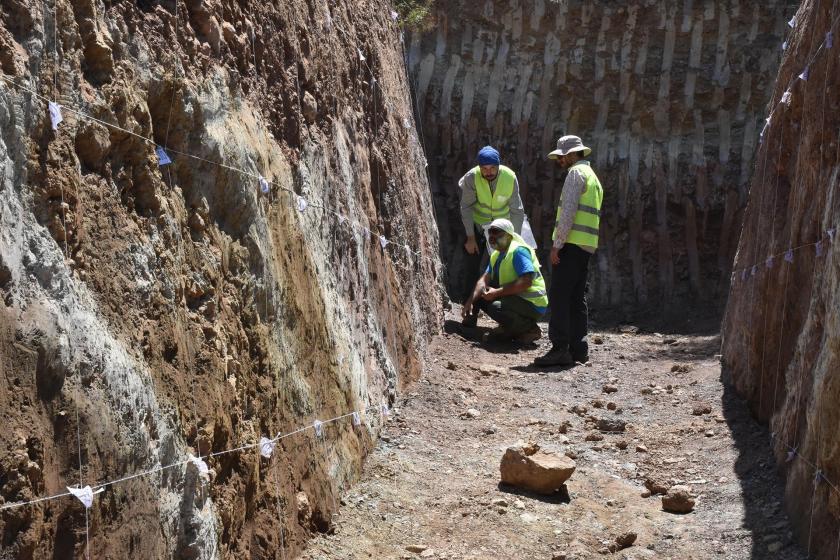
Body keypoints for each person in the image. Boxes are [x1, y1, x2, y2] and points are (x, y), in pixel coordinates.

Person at [533, 135, 603, 367]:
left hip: (571, 244)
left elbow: (568, 212)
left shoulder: (576, 174)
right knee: (576, 298)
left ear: (572, 155)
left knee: (560, 296)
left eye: (562, 156)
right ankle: (579, 349)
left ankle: (559, 348)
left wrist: (557, 244)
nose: (559, 160)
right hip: (586, 246)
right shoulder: (593, 177)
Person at [459, 146, 525, 327]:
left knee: (500, 269)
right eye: (484, 168)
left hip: (501, 229)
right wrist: (470, 237)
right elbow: (465, 207)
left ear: (498, 166)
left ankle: (503, 316)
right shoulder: (472, 177)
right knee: (471, 267)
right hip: (478, 227)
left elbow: (517, 211)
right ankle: (469, 314)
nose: (488, 172)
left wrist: (515, 240)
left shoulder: (510, 177)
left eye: (492, 168)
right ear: (479, 167)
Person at [461, 218, 547, 344]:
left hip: (532, 304)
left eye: (496, 233)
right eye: (490, 232)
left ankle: (529, 328)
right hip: (515, 297)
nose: (492, 237)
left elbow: (526, 282)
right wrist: (470, 301)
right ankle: (470, 323)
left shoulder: (518, 251)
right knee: (477, 290)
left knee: (497, 307)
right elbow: (484, 279)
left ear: (508, 235)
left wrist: (496, 293)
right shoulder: (497, 254)